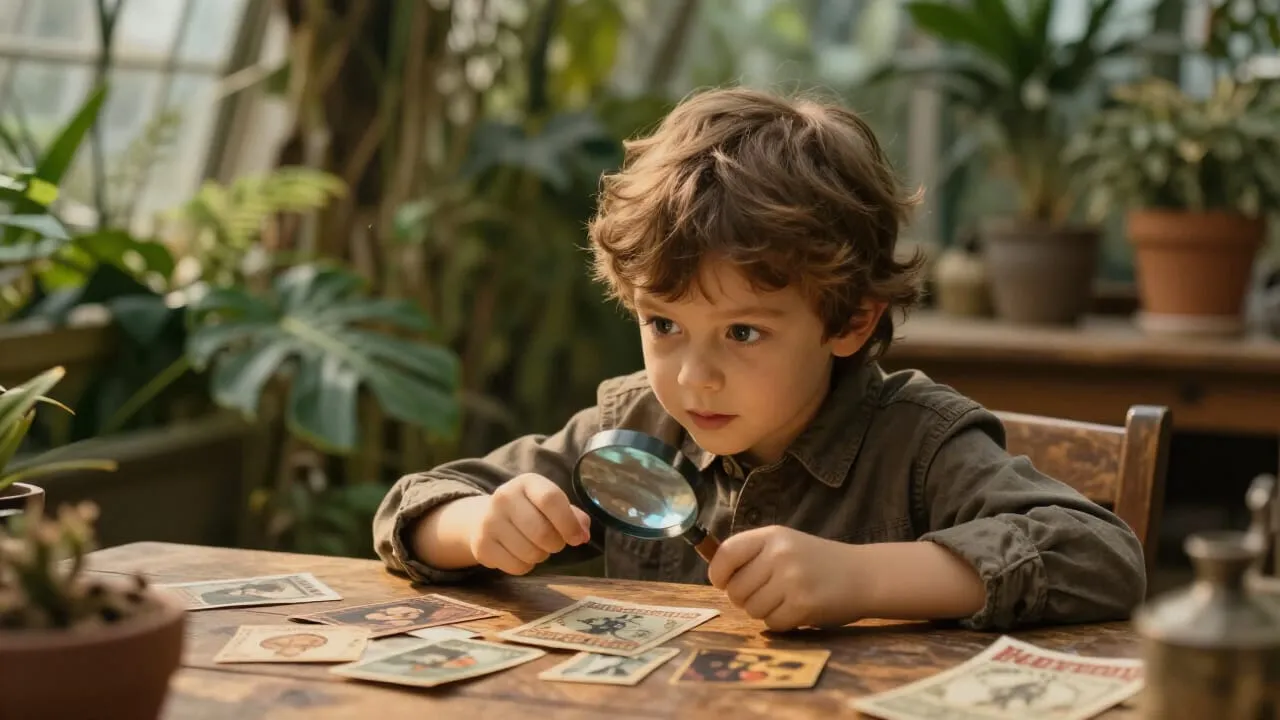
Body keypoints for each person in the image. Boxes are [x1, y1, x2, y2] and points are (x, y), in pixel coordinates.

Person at [372, 86, 1146, 632]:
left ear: (848, 320)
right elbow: (414, 505)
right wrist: (477, 527)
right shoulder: (635, 426)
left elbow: (1102, 556)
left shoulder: (918, 443)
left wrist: (863, 580)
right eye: (664, 324)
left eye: (743, 333)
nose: (691, 377)